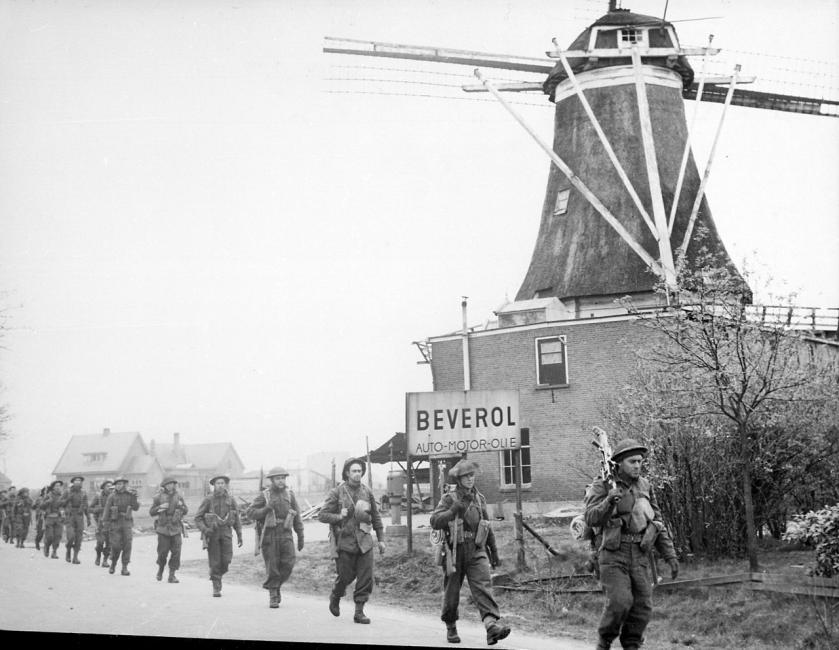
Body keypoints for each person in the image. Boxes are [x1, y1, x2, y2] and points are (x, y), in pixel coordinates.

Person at [584, 438, 679, 650]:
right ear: (619, 463)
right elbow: (590, 518)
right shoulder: (603, 485)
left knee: (642, 607)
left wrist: (670, 556)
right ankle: (604, 641)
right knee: (620, 602)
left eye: (640, 461)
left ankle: (632, 644)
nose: (637, 466)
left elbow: (657, 522)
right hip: (612, 554)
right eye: (632, 462)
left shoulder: (645, 485)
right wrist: (609, 500)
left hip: (640, 554)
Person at [430, 459, 510, 646]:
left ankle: (491, 627)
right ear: (458, 478)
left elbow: (486, 526)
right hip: (455, 552)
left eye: (472, 475)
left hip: (476, 549)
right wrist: (452, 511)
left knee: (483, 587)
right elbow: (434, 521)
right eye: (466, 476)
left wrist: (494, 551)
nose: (470, 479)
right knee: (452, 593)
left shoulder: (479, 498)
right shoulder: (449, 498)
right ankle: (451, 626)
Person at [318, 457, 386, 624]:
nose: (357, 474)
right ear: (347, 473)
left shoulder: (367, 491)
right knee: (345, 576)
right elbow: (322, 515)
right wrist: (338, 516)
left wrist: (381, 539)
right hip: (345, 541)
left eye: (359, 471)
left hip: (364, 541)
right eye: (354, 471)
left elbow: (375, 516)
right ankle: (336, 594)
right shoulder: (337, 492)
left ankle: (359, 612)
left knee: (366, 577)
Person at [247, 466, 304, 608]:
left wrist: (300, 534)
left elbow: (296, 515)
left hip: (286, 532)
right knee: (272, 564)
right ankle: (273, 593)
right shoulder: (264, 495)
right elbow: (250, 513)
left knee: (289, 562)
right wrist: (266, 508)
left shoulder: (290, 494)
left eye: (283, 478)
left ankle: (276, 585)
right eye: (278, 478)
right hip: (270, 534)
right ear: (272, 480)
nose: (281, 481)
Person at [194, 474, 242, 597]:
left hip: (226, 533)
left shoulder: (231, 500)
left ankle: (217, 575)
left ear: (226, 485)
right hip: (213, 533)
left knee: (226, 560)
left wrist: (239, 534)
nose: (220, 485)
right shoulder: (208, 499)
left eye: (222, 483)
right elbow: (198, 518)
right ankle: (216, 585)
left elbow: (236, 518)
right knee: (215, 561)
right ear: (214, 485)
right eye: (218, 483)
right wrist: (205, 529)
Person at [149, 476, 188, 583]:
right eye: (168, 484)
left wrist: (181, 507)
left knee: (176, 552)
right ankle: (160, 570)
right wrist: (160, 507)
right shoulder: (158, 497)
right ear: (164, 486)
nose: (170, 486)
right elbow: (151, 512)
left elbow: (186, 510)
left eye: (172, 484)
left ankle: (172, 575)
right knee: (162, 553)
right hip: (163, 528)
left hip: (176, 527)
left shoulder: (179, 496)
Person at [103, 476, 140, 575]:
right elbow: (106, 510)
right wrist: (105, 523)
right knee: (116, 546)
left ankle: (124, 567)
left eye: (121, 484)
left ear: (124, 485)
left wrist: (135, 497)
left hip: (127, 522)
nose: (119, 486)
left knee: (128, 545)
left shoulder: (130, 495)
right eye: (117, 484)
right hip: (115, 523)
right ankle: (113, 564)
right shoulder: (112, 496)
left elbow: (136, 508)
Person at [60, 475, 91, 564]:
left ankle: (75, 557)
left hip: (79, 515)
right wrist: (67, 501)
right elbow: (60, 503)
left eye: (79, 481)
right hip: (70, 516)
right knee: (71, 536)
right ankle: (68, 550)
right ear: (73, 483)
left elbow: (86, 506)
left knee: (78, 538)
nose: (78, 482)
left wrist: (88, 518)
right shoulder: (67, 492)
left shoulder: (83, 493)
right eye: (76, 481)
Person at [90, 480, 114, 567]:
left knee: (109, 543)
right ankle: (98, 556)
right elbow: (90, 509)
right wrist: (98, 510)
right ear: (103, 487)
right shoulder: (98, 496)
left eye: (111, 486)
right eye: (108, 486)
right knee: (100, 542)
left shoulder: (114, 496)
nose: (110, 488)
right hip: (100, 523)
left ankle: (105, 560)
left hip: (111, 523)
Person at [40, 480, 65, 558]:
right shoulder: (48, 495)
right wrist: (48, 501)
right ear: (53, 487)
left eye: (59, 486)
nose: (58, 487)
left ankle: (54, 552)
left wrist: (63, 511)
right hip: (49, 518)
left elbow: (66, 506)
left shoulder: (62, 496)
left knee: (58, 536)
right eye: (56, 486)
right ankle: (46, 547)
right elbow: (41, 506)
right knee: (50, 536)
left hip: (58, 518)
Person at [33, 486, 48, 551]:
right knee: (40, 533)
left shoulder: (51, 498)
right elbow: (34, 507)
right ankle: (37, 542)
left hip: (49, 517)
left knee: (49, 533)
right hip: (41, 517)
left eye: (48, 491)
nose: (46, 493)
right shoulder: (39, 499)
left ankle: (47, 545)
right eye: (45, 491)